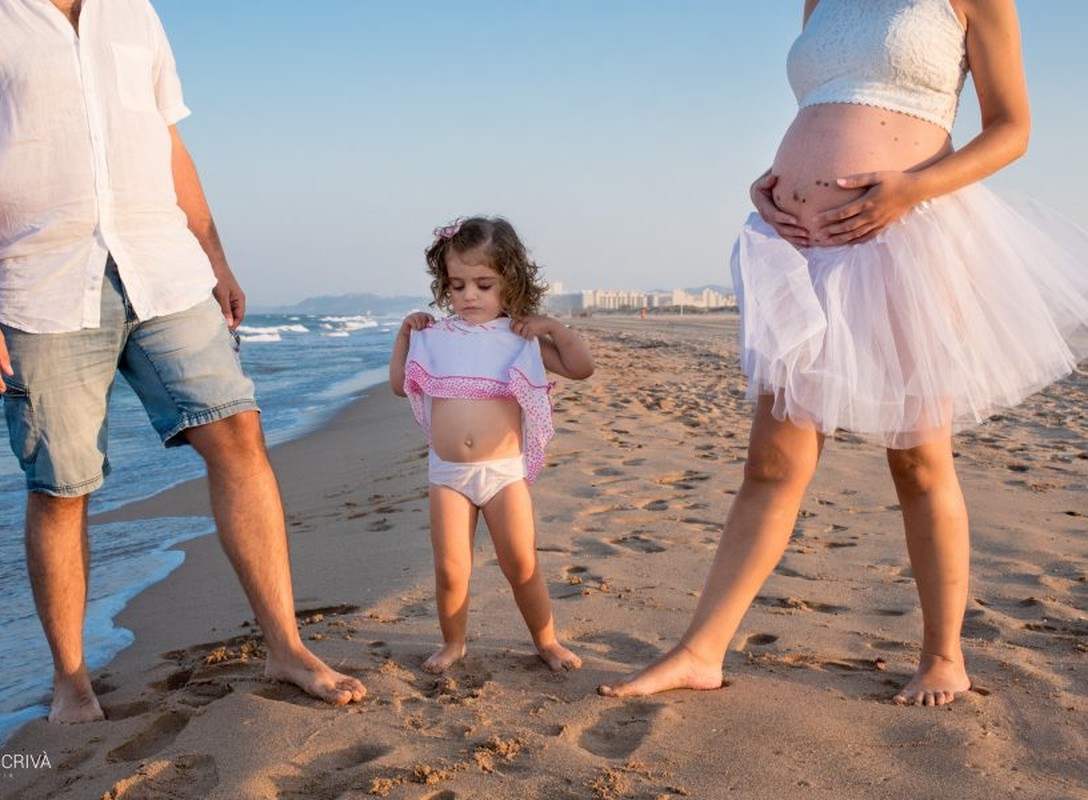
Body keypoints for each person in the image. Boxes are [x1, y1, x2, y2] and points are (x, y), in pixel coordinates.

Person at [599, 0, 1088, 706]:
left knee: (918, 459)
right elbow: (829, 107)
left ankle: (943, 657)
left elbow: (1011, 129)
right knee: (772, 462)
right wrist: (774, 178)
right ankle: (700, 651)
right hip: (799, 249)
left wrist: (911, 189)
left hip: (906, 240)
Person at [0, 0, 366, 719]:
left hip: (164, 268)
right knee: (61, 486)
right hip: (41, 283)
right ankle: (71, 681)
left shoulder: (132, 10)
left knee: (239, 435)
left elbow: (168, 143)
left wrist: (215, 258)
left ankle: (287, 648)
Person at [388, 216, 595, 674]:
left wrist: (553, 328)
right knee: (450, 569)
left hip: (503, 475)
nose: (468, 296)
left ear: (511, 282)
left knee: (521, 564)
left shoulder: (519, 338)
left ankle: (547, 641)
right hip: (448, 475)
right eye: (457, 285)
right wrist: (404, 335)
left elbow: (581, 368)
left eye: (483, 285)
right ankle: (453, 643)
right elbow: (401, 385)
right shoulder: (435, 337)